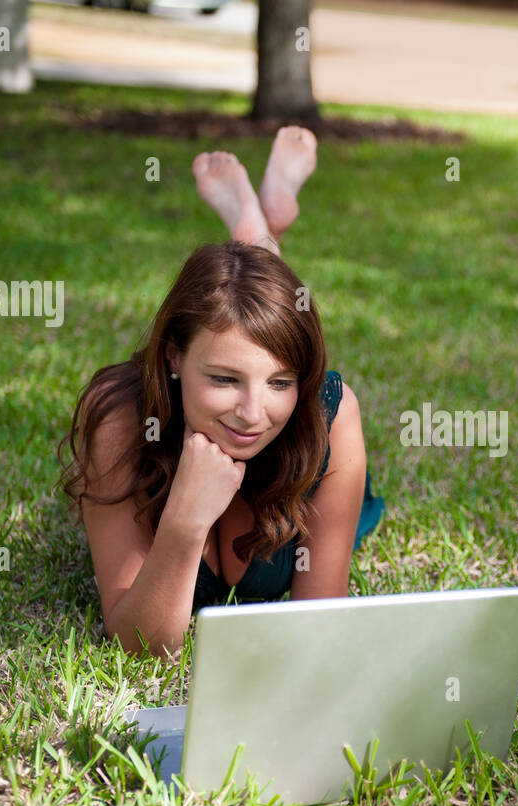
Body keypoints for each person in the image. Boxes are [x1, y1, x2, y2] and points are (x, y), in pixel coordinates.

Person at [56, 128, 384, 659]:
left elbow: (319, 625)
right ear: (174, 358)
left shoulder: (327, 415)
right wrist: (185, 521)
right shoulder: (120, 421)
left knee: (261, 316)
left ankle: (256, 230)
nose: (253, 415)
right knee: (245, 312)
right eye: (224, 380)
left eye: (281, 382)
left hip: (301, 443)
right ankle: (255, 229)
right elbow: (142, 646)